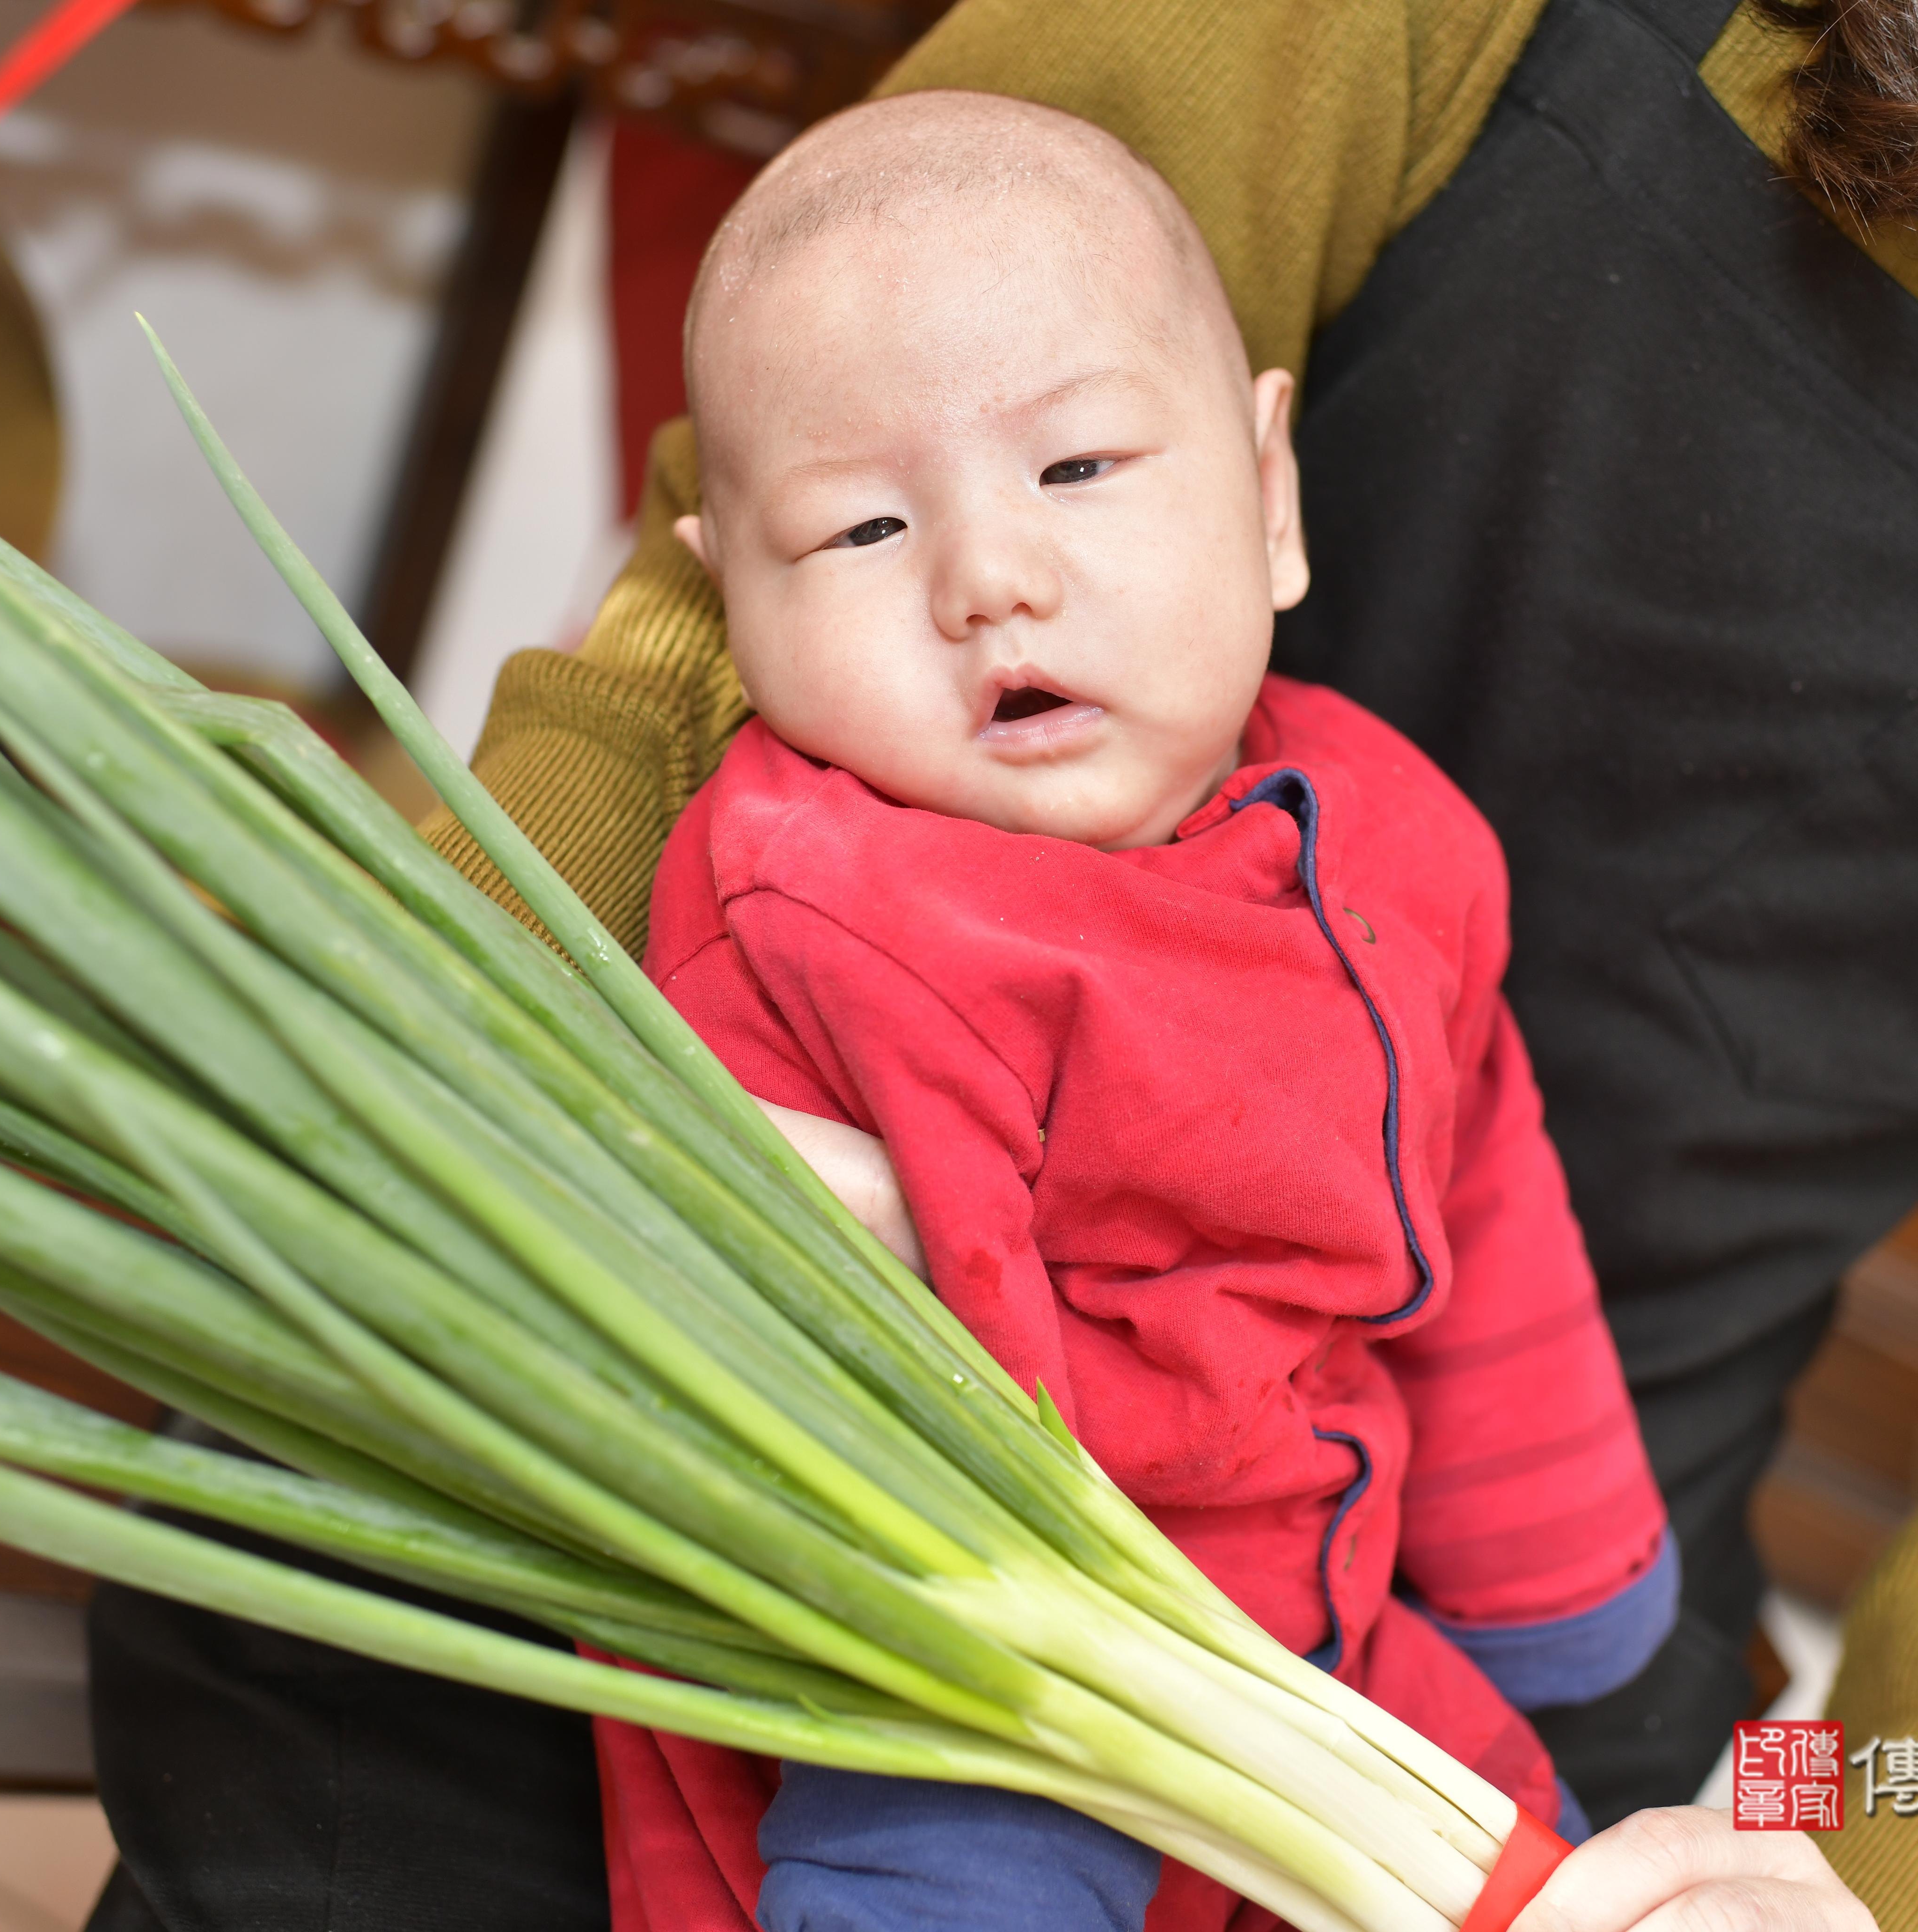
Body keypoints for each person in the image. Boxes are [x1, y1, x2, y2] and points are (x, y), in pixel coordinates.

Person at [82, 2, 1918, 1929]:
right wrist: (476, 1131)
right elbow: (728, 601)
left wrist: (1853, 1876)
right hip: (748, 1371)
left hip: (1497, 1654)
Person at [615, 90, 1672, 1931]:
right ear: (734, 596)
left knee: (1550, 1858)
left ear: (1271, 498)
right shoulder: (800, 908)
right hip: (974, 1665)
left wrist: (1559, 1571)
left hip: (1333, 1611)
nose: (986, 579)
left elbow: (1484, 1202)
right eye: (861, 531)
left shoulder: (1401, 844)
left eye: (1081, 470)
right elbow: (849, 1376)